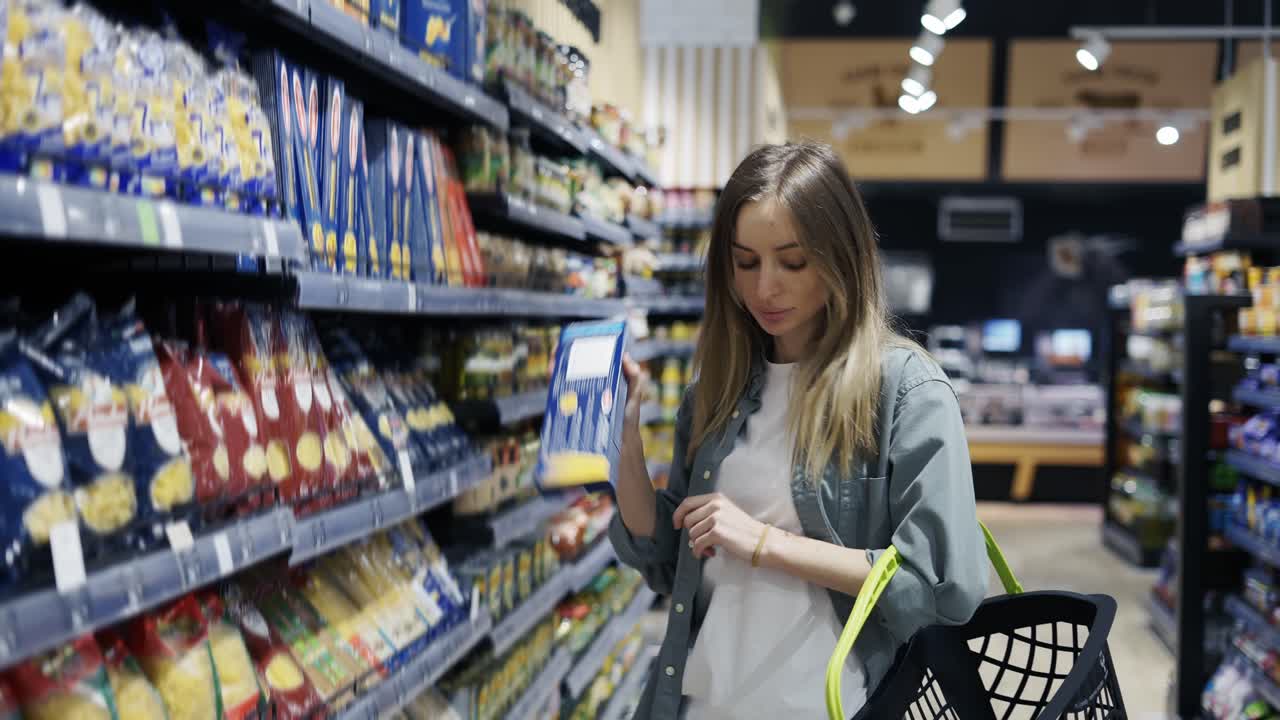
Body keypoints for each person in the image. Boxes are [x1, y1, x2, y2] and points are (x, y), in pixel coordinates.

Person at [608, 141, 988, 720]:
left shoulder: (904, 391)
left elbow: (940, 589)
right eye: (746, 262)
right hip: (702, 703)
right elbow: (665, 558)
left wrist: (764, 542)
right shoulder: (718, 392)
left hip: (829, 704)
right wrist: (624, 445)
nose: (765, 289)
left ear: (840, 256)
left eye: (792, 262)